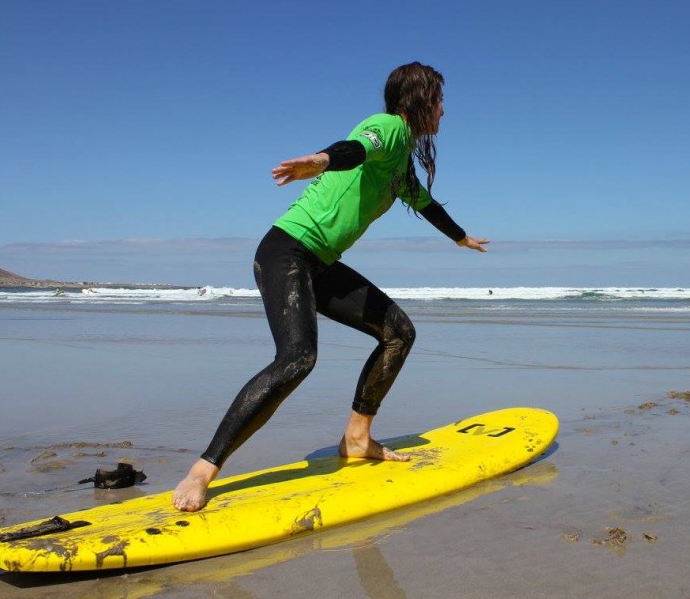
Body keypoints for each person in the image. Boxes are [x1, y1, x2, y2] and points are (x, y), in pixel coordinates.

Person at [173, 62, 489, 512]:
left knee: (399, 333)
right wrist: (320, 160)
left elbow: (426, 204)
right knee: (298, 358)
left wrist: (460, 237)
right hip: (287, 252)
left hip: (319, 263)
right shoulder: (389, 128)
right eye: (439, 100)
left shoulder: (401, 164)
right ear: (420, 101)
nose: (443, 110)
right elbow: (355, 148)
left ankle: (357, 438)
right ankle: (204, 468)